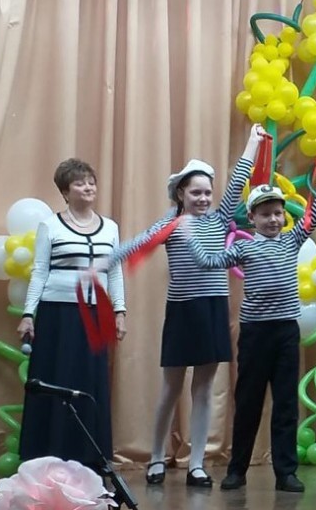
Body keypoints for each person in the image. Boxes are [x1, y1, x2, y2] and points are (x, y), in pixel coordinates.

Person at [184, 130, 316, 493]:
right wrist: (191, 238)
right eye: (265, 214)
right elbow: (209, 261)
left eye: (277, 213)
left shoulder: (292, 240)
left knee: (285, 404)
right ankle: (237, 469)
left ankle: (285, 472)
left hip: (286, 332)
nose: (273, 219)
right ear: (252, 218)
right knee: (248, 402)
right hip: (255, 333)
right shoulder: (244, 249)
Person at [106, 125, 266, 487]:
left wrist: (253, 143)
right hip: (182, 312)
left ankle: (196, 463)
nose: (203, 198)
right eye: (196, 192)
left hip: (213, 309)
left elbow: (240, 178)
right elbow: (139, 243)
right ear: (181, 193)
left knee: (204, 388)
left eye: (207, 192)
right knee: (171, 388)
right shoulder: (172, 223)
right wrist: (104, 262)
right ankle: (157, 457)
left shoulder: (219, 219)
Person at [18, 158, 127, 471]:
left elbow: (114, 272)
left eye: (91, 181)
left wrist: (119, 310)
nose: (88, 187)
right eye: (80, 183)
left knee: (91, 382)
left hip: (95, 315)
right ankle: (47, 455)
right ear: (65, 192)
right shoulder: (50, 226)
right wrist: (28, 313)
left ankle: (91, 457)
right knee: (56, 380)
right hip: (57, 316)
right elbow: (40, 271)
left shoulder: (110, 228)